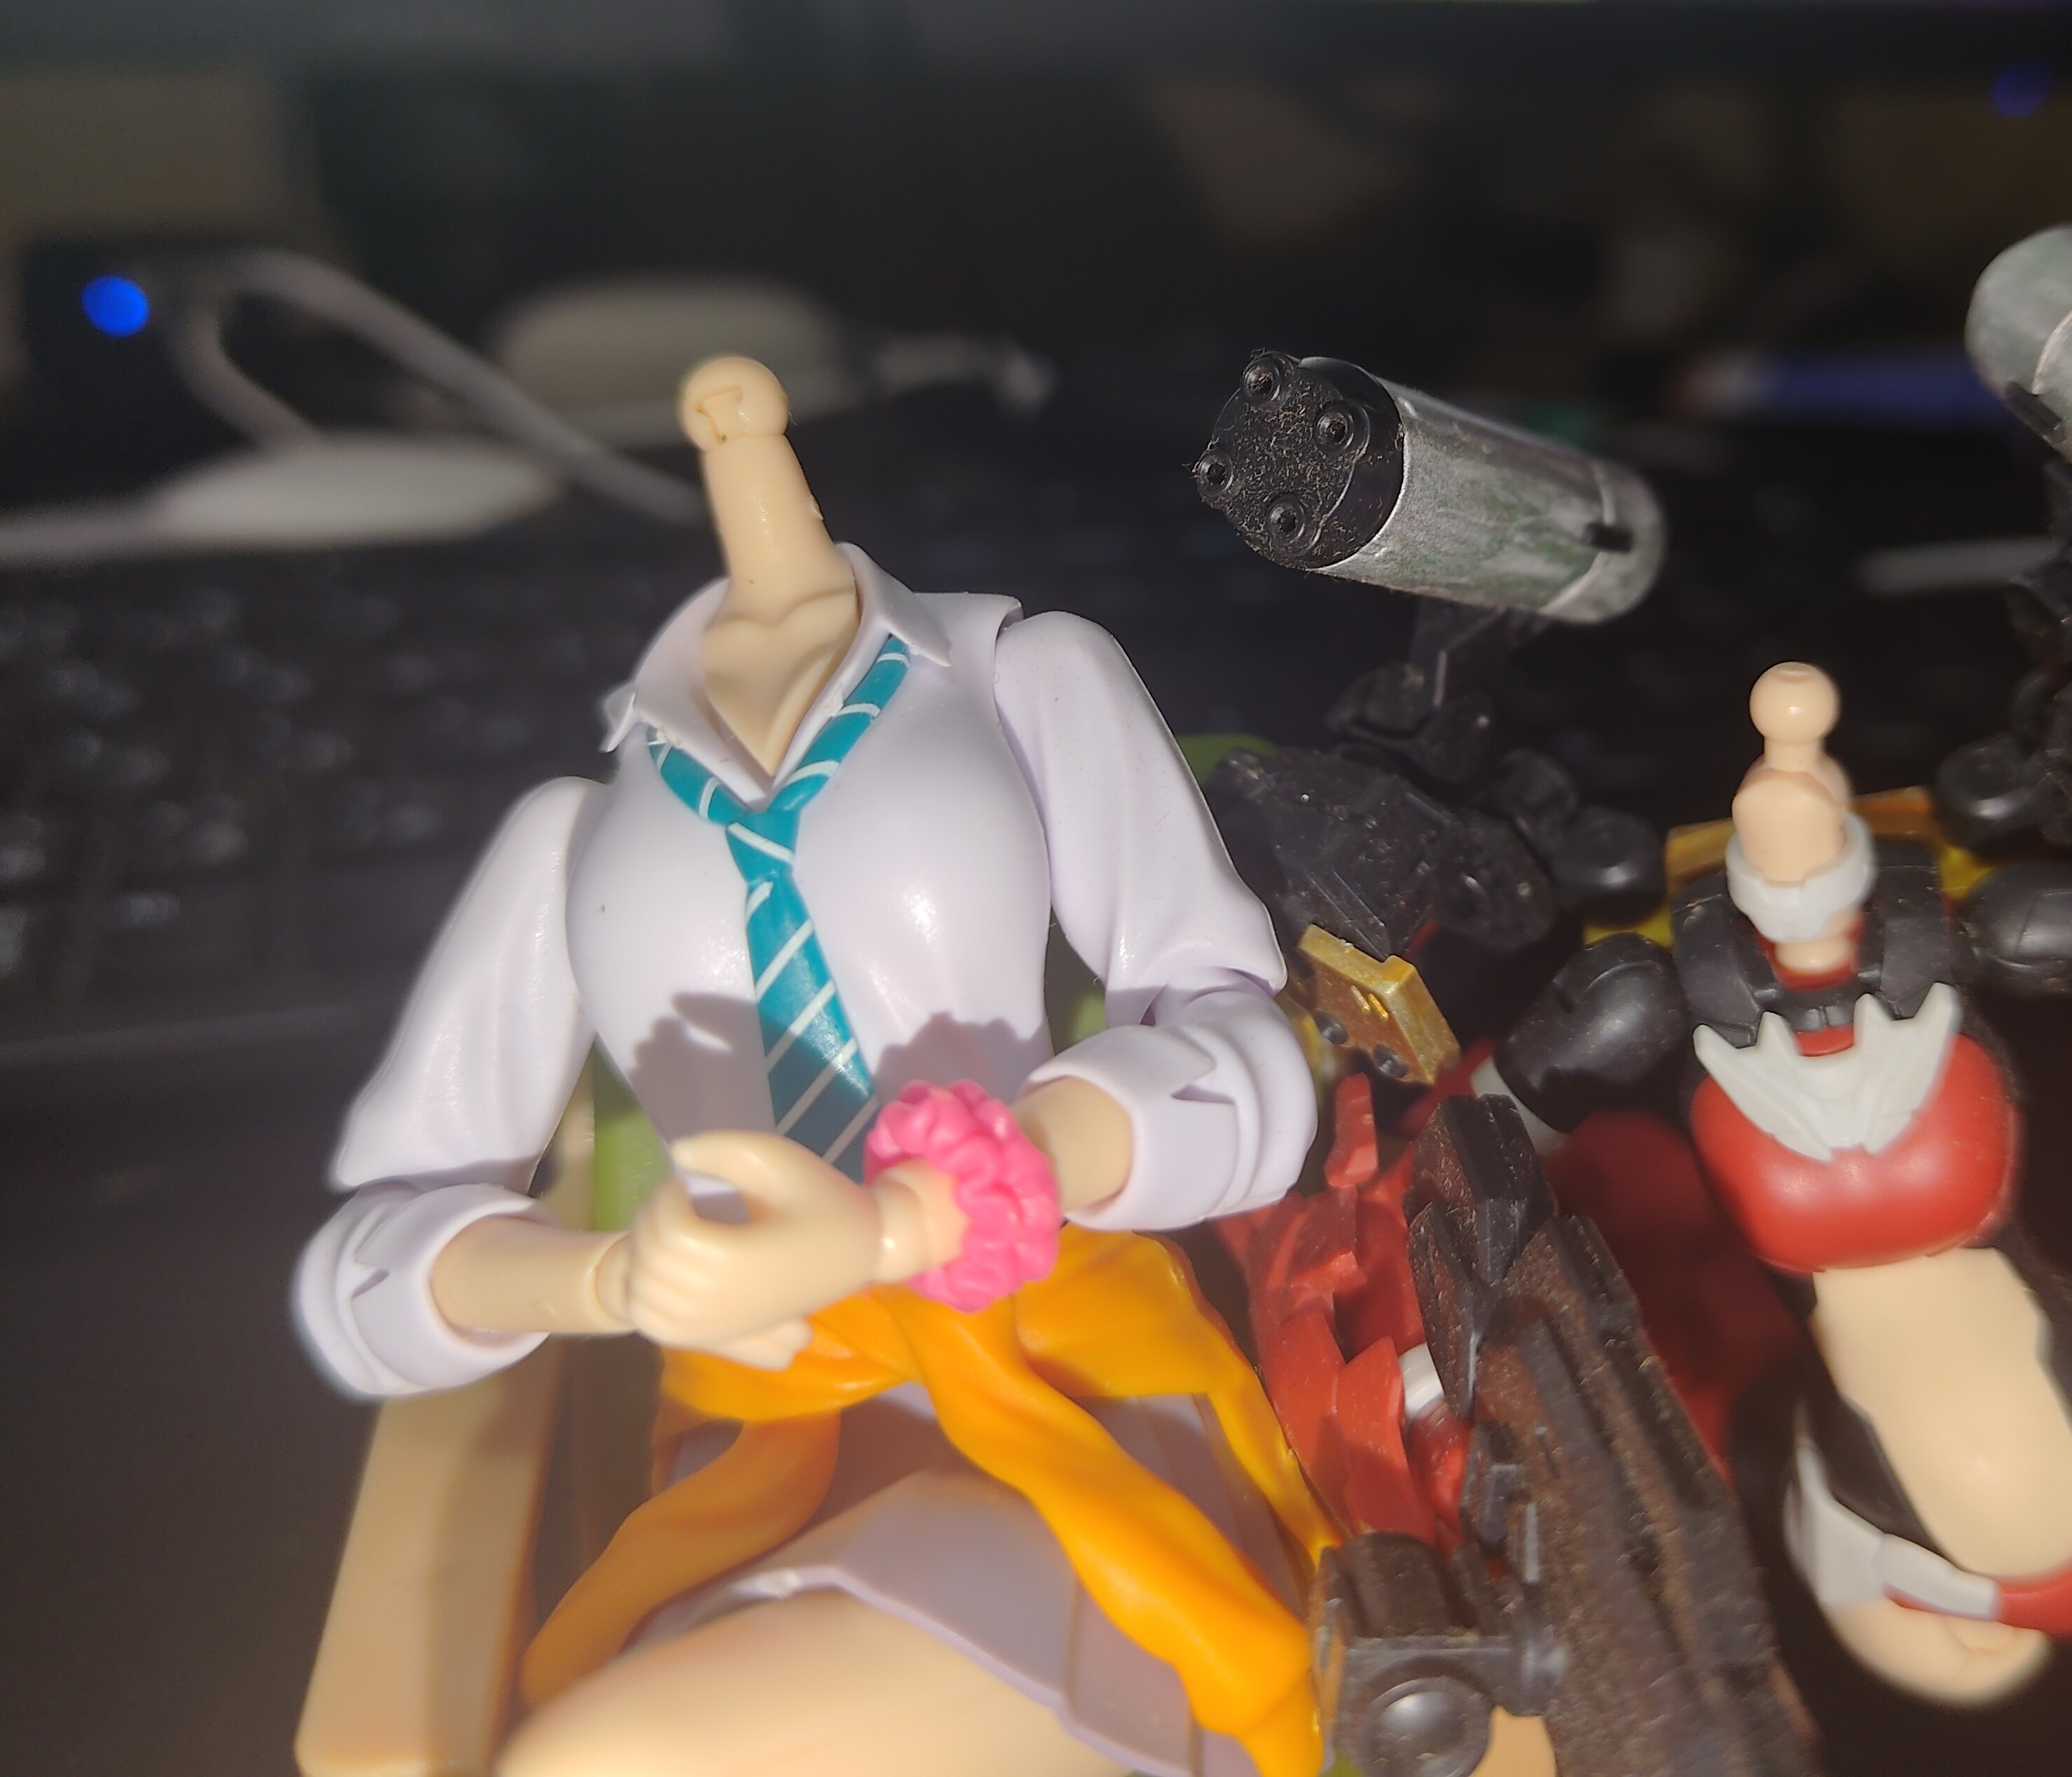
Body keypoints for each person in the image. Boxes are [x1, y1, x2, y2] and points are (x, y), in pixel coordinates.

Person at [292, 355, 1330, 1777]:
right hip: (760, 1440)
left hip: (1061, 1385)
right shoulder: (572, 831)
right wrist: (604, 1280)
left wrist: (918, 1215)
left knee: (615, 1761)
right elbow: (364, 1274)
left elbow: (1240, 1071)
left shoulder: (1020, 677)